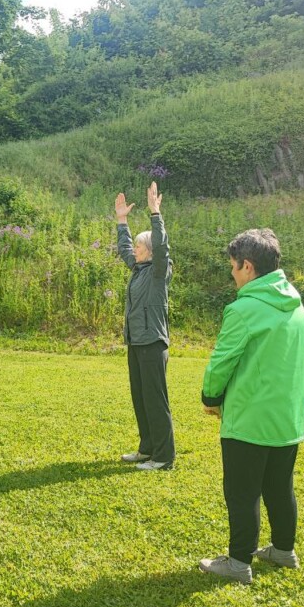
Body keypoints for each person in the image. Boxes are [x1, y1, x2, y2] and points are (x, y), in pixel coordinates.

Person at [198, 228, 304, 585]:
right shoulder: (297, 303)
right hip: (287, 418)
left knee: (242, 491)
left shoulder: (243, 309)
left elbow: (222, 362)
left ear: (247, 267)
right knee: (280, 486)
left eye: (233, 267)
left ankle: (237, 562)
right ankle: (282, 551)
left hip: (250, 419)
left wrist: (211, 399)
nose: (232, 274)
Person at [115, 181, 176, 471]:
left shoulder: (158, 272)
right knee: (140, 398)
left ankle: (164, 457)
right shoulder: (139, 269)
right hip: (136, 342)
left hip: (153, 342)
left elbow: (163, 246)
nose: (135, 249)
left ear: (149, 250)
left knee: (155, 400)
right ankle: (147, 448)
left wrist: (155, 213)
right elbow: (123, 248)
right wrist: (121, 221)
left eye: (140, 246)